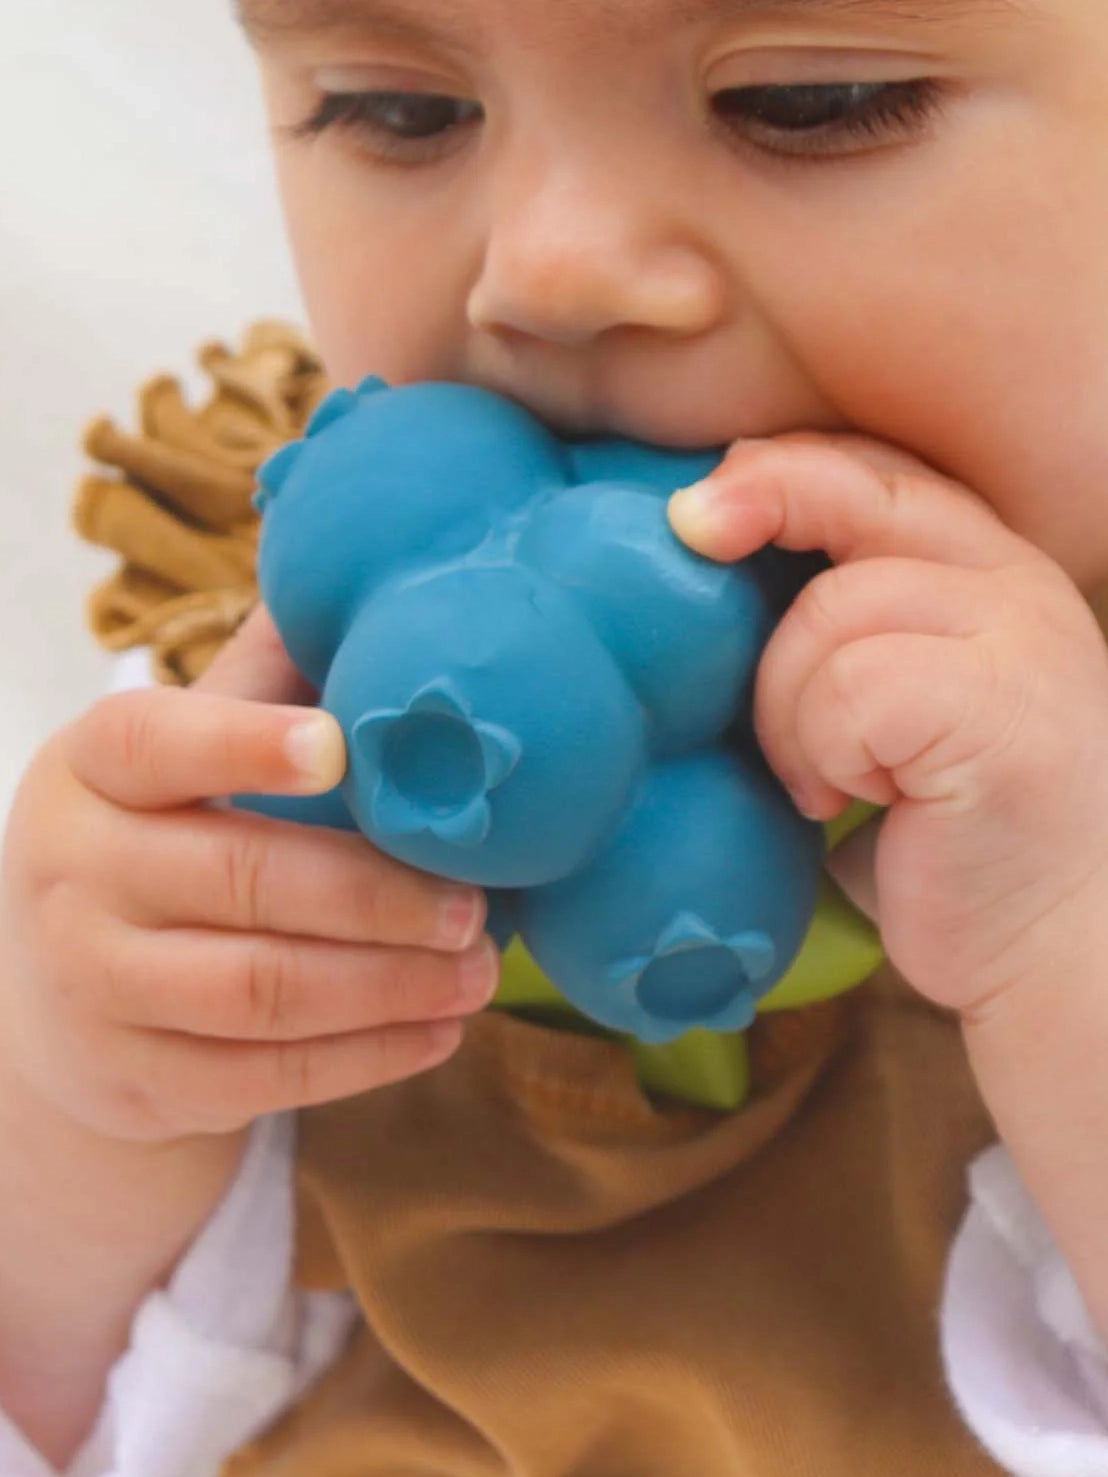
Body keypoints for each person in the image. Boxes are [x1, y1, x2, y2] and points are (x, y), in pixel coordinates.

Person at [5, 0, 1108, 1471]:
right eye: (395, 109)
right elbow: (80, 1416)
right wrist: (85, 1103)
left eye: (811, 99)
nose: (549, 270)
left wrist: (1067, 928)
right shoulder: (284, 702)